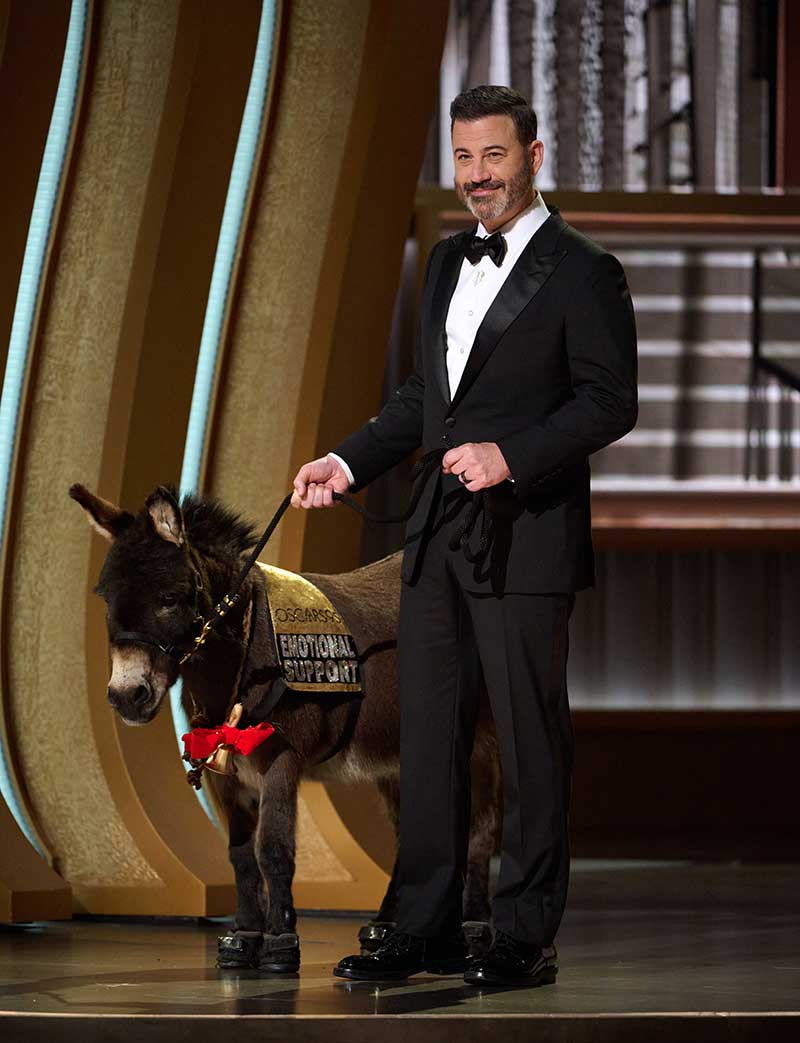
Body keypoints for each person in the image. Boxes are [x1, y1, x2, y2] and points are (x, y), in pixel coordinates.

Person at [291, 85, 638, 987]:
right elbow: (425, 401)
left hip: (527, 537)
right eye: (462, 159)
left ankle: (523, 933)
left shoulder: (584, 270)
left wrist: (510, 456)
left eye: (493, 156)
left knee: (526, 740)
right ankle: (425, 924)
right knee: (427, 735)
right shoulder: (446, 261)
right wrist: (347, 460)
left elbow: (610, 400)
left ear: (533, 154)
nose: (477, 177)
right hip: (436, 536)